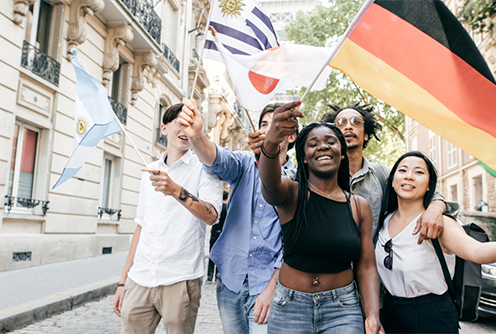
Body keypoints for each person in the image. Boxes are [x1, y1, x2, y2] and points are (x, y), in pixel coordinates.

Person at [259, 101, 383, 334]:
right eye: (313, 144)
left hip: (343, 310)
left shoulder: (359, 206)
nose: (323, 147)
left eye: (330, 142)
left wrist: (372, 315)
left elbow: (366, 266)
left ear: (342, 154)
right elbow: (270, 184)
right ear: (304, 158)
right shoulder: (291, 193)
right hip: (290, 309)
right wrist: (272, 141)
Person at [177, 100, 297, 334]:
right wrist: (197, 136)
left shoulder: (299, 179)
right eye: (264, 124)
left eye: (276, 124)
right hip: (231, 280)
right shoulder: (243, 163)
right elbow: (215, 158)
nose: (268, 129)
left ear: (291, 135)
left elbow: (293, 242)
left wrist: (273, 288)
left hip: (268, 286)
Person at [112, 103, 223, 334]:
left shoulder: (206, 169)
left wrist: (175, 190)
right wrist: (123, 281)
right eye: (180, 123)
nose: (185, 130)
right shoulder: (149, 171)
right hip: (140, 278)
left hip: (180, 279)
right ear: (164, 128)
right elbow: (141, 227)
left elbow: (211, 216)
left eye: (191, 125)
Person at [374, 151, 496, 334]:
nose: (409, 176)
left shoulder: (438, 223)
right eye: (402, 170)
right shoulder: (384, 221)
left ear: (429, 187)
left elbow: (477, 251)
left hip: (431, 315)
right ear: (392, 181)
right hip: (392, 313)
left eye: (419, 172)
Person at [321, 104, 459, 242]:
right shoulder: (317, 175)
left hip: (372, 262)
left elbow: (429, 191)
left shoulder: (383, 175)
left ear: (366, 135)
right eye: (340, 123)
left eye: (356, 122)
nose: (348, 127)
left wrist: (435, 208)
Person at [207, 189, 229, 282]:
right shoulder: (228, 208)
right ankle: (217, 276)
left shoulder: (217, 208)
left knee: (211, 255)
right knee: (220, 256)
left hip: (214, 233)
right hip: (223, 234)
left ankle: (209, 276)